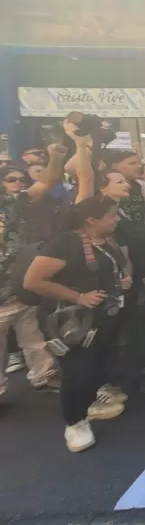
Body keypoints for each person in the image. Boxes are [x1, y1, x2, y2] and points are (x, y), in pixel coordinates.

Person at [23, 196, 133, 453]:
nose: (117, 219)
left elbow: (114, 267)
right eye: (112, 215)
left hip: (104, 317)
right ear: (91, 220)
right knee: (77, 372)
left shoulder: (107, 240)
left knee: (96, 364)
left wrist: (122, 280)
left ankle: (94, 400)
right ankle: (75, 423)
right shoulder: (65, 243)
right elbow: (33, 281)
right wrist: (78, 297)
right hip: (74, 324)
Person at [0, 164, 61, 397]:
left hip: (21, 286)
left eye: (20, 179)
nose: (17, 183)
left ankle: (43, 376)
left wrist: (56, 156)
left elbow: (47, 182)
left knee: (33, 337)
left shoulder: (14, 204)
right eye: (10, 179)